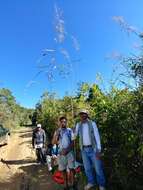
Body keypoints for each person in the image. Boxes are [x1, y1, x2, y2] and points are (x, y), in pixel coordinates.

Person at [74, 109, 106, 190]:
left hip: (93, 149)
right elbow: (74, 136)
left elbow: (97, 136)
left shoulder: (92, 123)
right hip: (84, 149)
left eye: (84, 114)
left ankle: (101, 185)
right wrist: (72, 131)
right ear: (80, 116)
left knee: (98, 168)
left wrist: (98, 149)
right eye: (81, 114)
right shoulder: (78, 124)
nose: (82, 115)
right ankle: (91, 182)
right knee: (87, 168)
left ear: (87, 115)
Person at [52, 116, 76, 190]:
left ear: (66, 122)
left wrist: (67, 150)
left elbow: (73, 142)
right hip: (60, 153)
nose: (63, 123)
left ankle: (72, 184)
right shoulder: (57, 131)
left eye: (65, 122)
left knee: (72, 169)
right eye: (62, 122)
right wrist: (57, 134)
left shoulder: (69, 130)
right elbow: (53, 142)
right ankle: (66, 185)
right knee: (63, 170)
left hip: (69, 152)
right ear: (60, 123)